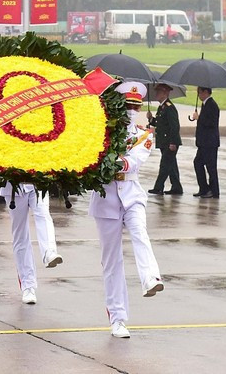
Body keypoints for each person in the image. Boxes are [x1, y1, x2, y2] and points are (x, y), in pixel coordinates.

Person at [90, 81, 163, 339]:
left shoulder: (144, 134)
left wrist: (115, 161)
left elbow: (133, 162)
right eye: (128, 105)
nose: (132, 110)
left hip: (131, 194)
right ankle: (118, 319)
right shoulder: (100, 131)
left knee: (140, 232)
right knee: (112, 262)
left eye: (136, 105)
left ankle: (150, 278)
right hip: (106, 198)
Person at [0, 182, 63, 305]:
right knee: (20, 234)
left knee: (43, 214)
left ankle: (49, 252)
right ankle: (28, 286)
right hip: (14, 186)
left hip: (38, 181)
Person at [147, 83, 183, 195]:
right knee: (171, 165)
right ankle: (177, 187)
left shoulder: (169, 107)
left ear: (165, 93)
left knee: (164, 165)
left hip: (169, 142)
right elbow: (161, 124)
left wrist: (173, 142)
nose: (156, 94)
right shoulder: (162, 107)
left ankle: (158, 187)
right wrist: (151, 119)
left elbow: (174, 126)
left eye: (159, 92)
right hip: (164, 141)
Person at [191, 87, 219, 198]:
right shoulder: (205, 104)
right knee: (198, 163)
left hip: (210, 142)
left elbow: (211, 123)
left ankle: (213, 190)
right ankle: (204, 188)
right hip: (204, 142)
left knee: (211, 167)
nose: (198, 95)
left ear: (206, 92)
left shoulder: (212, 105)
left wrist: (199, 118)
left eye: (200, 92)